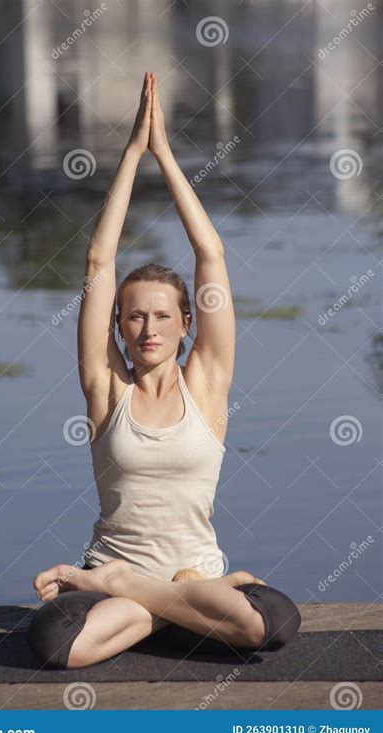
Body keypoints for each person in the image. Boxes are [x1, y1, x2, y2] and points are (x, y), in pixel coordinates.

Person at [27, 72, 301, 670]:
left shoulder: (207, 383)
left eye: (161, 317)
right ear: (119, 326)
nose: (147, 330)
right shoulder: (106, 388)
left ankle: (139, 593)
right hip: (130, 574)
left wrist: (166, 156)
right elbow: (99, 259)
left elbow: (211, 255)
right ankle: (153, 602)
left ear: (186, 324)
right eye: (133, 318)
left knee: (271, 624)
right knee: (56, 646)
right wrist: (129, 153)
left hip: (190, 577)